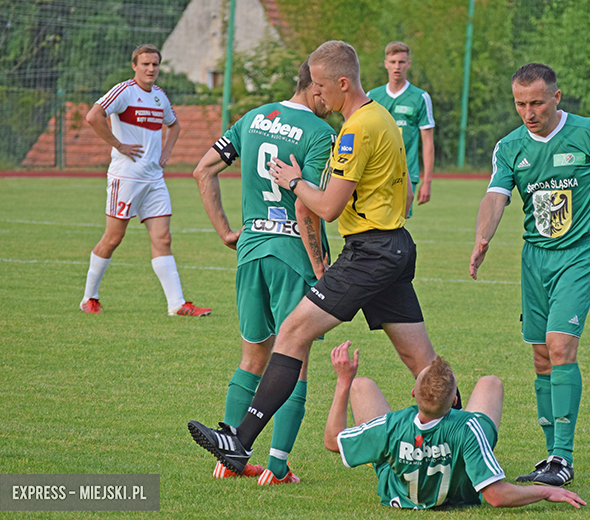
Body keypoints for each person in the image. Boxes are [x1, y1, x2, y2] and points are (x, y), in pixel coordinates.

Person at [188, 40, 457, 476]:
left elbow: (327, 207)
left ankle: (239, 441)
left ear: (342, 83)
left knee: (291, 332)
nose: (317, 94)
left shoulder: (354, 129)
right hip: (392, 246)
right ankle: (462, 443)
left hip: (369, 252)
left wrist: (294, 181)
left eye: (320, 85)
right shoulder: (380, 117)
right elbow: (405, 194)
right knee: (421, 362)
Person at [469, 63, 590, 487]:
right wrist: (482, 239)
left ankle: (563, 457)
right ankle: (550, 457)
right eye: (521, 104)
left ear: (557, 98)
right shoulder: (509, 146)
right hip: (535, 260)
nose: (529, 112)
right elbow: (496, 196)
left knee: (560, 345)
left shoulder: (589, 133)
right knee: (541, 355)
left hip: (580, 255)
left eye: (537, 103)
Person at [191, 60, 336, 485]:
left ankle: (228, 458)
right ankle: (276, 466)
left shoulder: (253, 118)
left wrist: (225, 233)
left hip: (251, 250)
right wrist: (319, 265)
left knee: (253, 357)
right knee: (298, 359)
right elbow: (306, 203)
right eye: (327, 92)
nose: (331, 102)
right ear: (314, 88)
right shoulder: (322, 134)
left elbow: (203, 170)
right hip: (293, 254)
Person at [324, 341, 587, 510]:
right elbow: (495, 496)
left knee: (360, 386)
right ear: (455, 400)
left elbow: (332, 440)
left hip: (399, 492)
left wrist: (343, 381)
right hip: (459, 473)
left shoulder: (391, 425)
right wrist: (544, 492)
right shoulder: (468, 426)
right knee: (490, 383)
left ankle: (380, 451)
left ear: (413, 394)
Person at [80, 44, 210, 317]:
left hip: (154, 179)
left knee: (163, 238)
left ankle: (177, 305)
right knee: (114, 237)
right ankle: (89, 297)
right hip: (125, 178)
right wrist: (118, 144)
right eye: (146, 64)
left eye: (155, 65)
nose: (151, 69)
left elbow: (174, 125)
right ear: (134, 66)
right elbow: (93, 116)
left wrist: (166, 152)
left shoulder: (160, 97)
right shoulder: (124, 91)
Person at [367, 41, 435, 214]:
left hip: (406, 174)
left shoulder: (420, 97)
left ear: (408, 64)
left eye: (401, 62)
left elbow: (427, 142)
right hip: (376, 172)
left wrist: (427, 182)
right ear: (386, 64)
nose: (397, 66)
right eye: (393, 62)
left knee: (398, 225)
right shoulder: (372, 96)